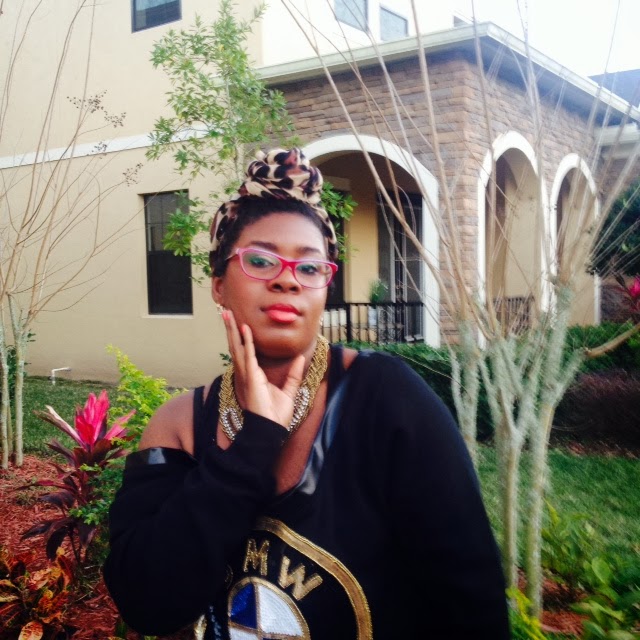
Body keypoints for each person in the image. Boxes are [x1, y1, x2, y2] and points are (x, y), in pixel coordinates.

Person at [103, 148, 510, 640]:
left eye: (310, 268)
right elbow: (147, 602)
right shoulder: (179, 427)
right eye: (260, 260)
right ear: (218, 284)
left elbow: (472, 606)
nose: (286, 280)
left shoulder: (387, 399)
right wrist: (253, 443)